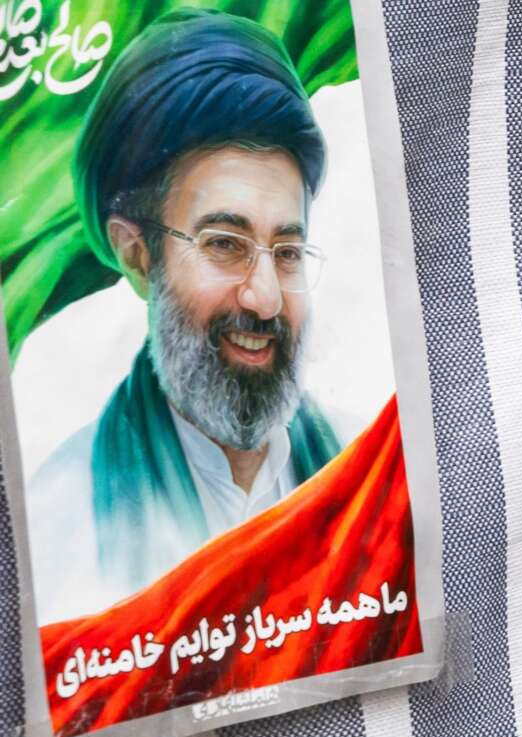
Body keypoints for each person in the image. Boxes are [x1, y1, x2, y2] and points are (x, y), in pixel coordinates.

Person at [32, 10, 344, 619]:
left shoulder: (368, 474)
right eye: (225, 244)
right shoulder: (59, 526)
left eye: (286, 253)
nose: (264, 299)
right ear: (137, 256)